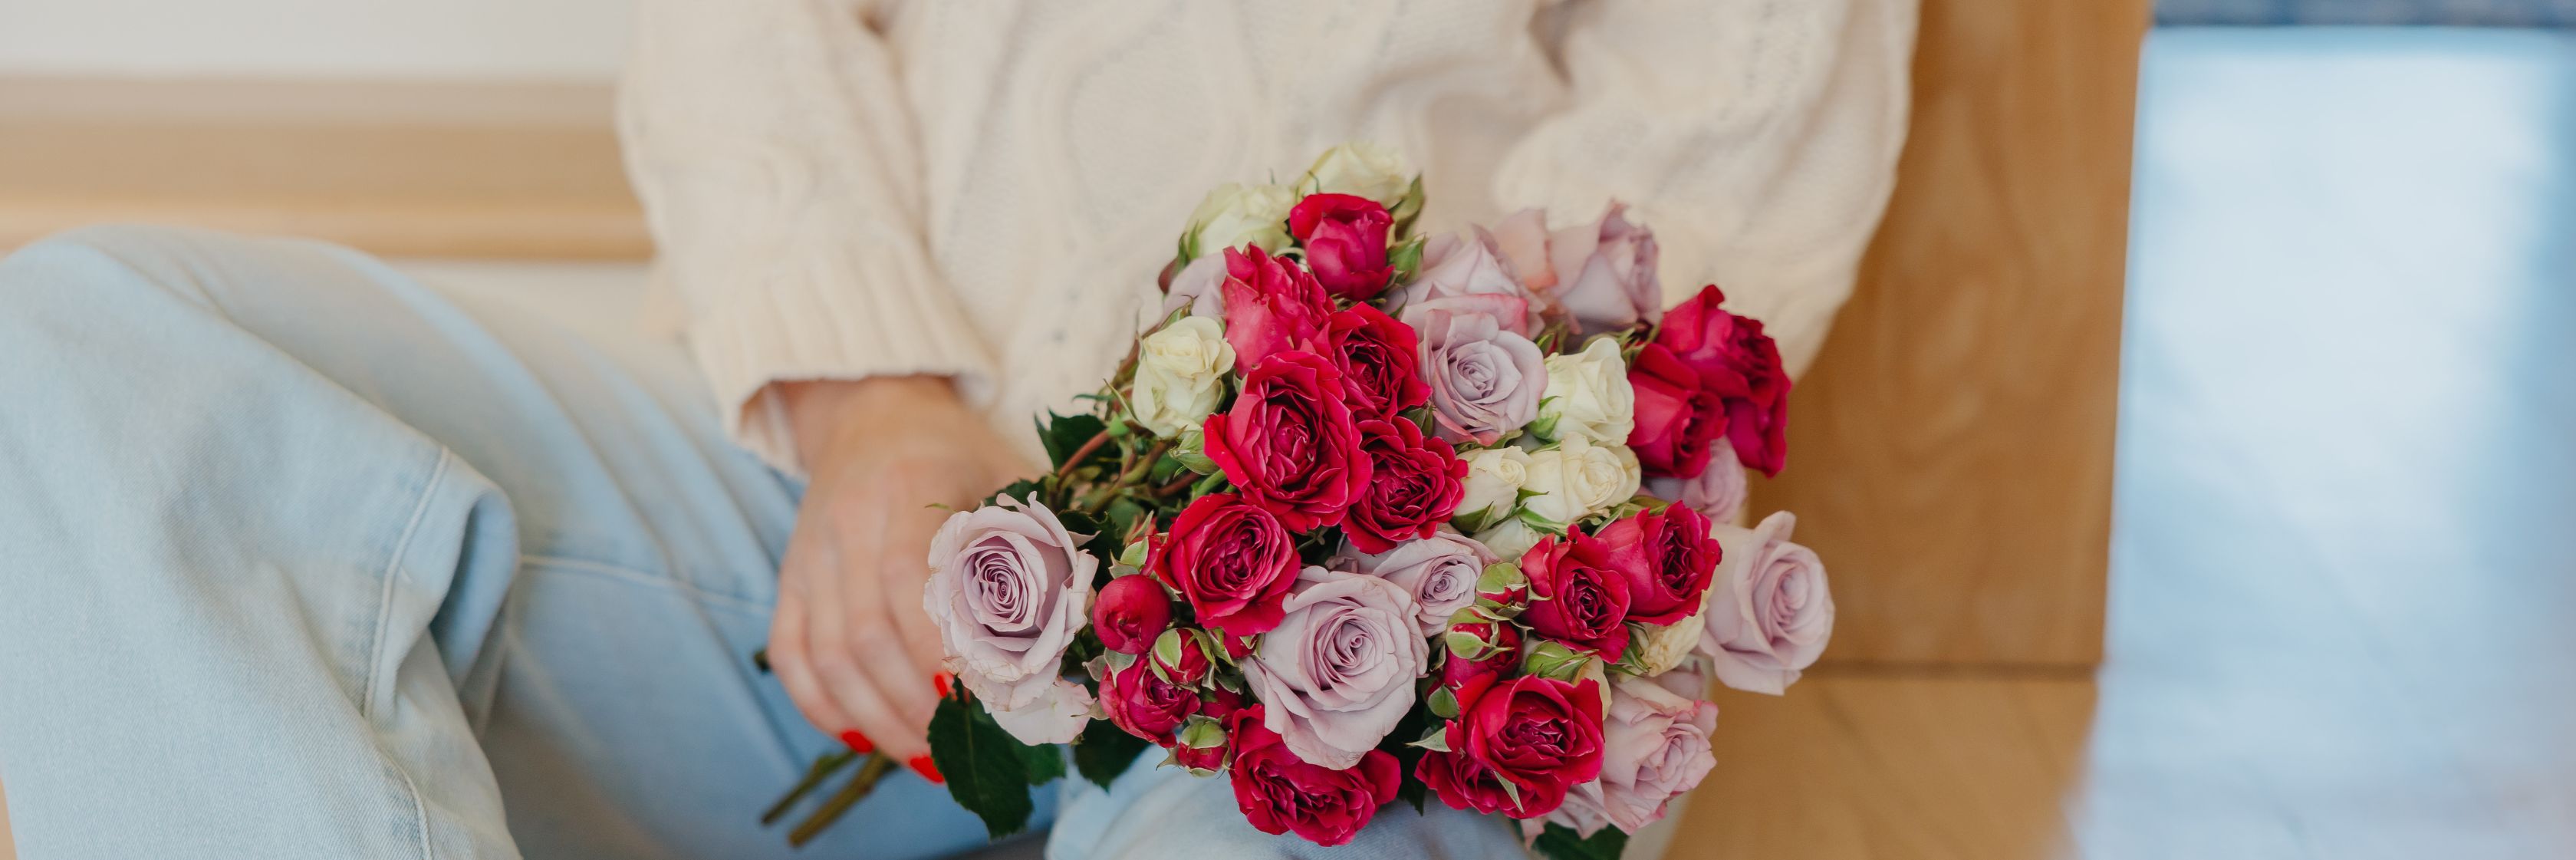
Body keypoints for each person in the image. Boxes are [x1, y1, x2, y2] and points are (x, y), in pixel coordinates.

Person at [0, 2, 1910, 858]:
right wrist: (876, 405)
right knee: (80, 343)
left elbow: (1721, 158)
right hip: (822, 549)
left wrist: (1311, 529)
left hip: (1364, 655)